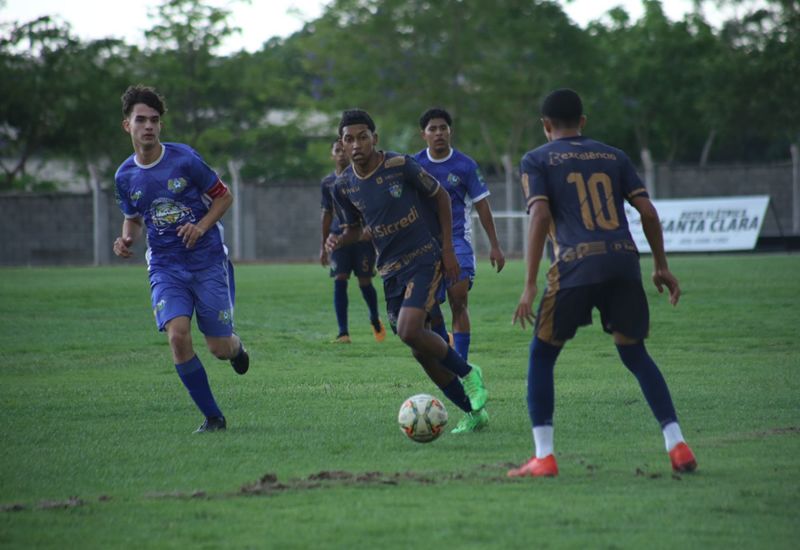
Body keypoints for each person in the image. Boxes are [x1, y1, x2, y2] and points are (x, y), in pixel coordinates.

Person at [508, 89, 697, 477]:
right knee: (635, 354)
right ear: (583, 121)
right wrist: (660, 265)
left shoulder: (536, 159)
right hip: (623, 260)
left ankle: (544, 456)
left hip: (576, 264)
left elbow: (540, 216)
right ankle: (677, 444)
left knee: (542, 355)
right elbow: (647, 210)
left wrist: (529, 284)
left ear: (545, 125)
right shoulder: (614, 156)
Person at [326, 109, 489, 433]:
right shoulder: (342, 186)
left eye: (362, 136)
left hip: (423, 259)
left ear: (375, 138)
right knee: (422, 351)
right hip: (390, 271)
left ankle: (470, 373)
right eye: (349, 139)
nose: (356, 144)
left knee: (408, 329)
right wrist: (338, 239)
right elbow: (356, 229)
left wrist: (446, 250)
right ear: (341, 145)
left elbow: (441, 197)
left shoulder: (400, 166)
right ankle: (473, 413)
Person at [112, 84, 249, 434]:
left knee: (219, 347)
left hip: (206, 262)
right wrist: (127, 237)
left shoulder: (185, 159)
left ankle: (236, 349)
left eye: (154, 120)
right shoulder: (124, 176)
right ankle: (213, 417)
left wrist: (201, 227)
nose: (148, 127)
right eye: (140, 120)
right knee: (178, 335)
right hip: (165, 266)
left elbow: (224, 197)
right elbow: (134, 216)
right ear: (127, 125)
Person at [414, 107, 505, 361]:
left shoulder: (465, 165)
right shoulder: (415, 164)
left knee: (458, 298)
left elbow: (482, 206)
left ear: (450, 131)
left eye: (443, 128)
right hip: (424, 243)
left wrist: (495, 246)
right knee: (429, 308)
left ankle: (461, 362)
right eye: (433, 129)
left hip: (457, 241)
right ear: (424, 134)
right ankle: (446, 351)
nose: (439, 133)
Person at [320, 139, 386, 344]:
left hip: (361, 239)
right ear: (332, 155)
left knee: (364, 281)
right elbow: (327, 213)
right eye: (336, 150)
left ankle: (375, 318)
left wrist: (371, 229)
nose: (340, 154)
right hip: (339, 239)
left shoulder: (360, 178)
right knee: (340, 279)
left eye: (343, 150)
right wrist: (324, 245)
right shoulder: (328, 183)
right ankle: (343, 332)